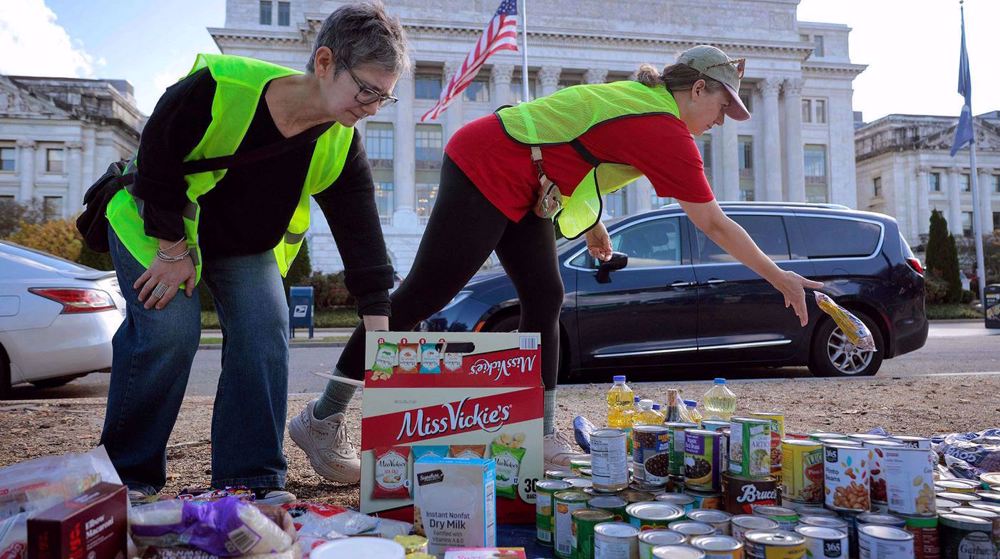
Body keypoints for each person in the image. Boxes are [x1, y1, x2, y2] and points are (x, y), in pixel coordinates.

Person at [291, 44, 823, 480]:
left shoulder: (643, 104)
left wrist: (591, 223)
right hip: (488, 160)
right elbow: (713, 223)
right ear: (698, 89)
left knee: (546, 296)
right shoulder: (663, 126)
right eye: (723, 107)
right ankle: (322, 417)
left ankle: (538, 435)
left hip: (526, 178)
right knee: (422, 296)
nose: (724, 121)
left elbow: (574, 141)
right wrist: (779, 277)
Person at [101, 2, 407, 502]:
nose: (372, 107)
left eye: (384, 97)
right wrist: (173, 247)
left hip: (242, 245)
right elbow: (157, 155)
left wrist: (379, 328)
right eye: (367, 90)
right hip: (159, 226)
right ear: (326, 62)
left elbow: (360, 232)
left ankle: (251, 479)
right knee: (169, 329)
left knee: (266, 332)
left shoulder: (339, 141)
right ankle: (126, 477)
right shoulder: (221, 88)